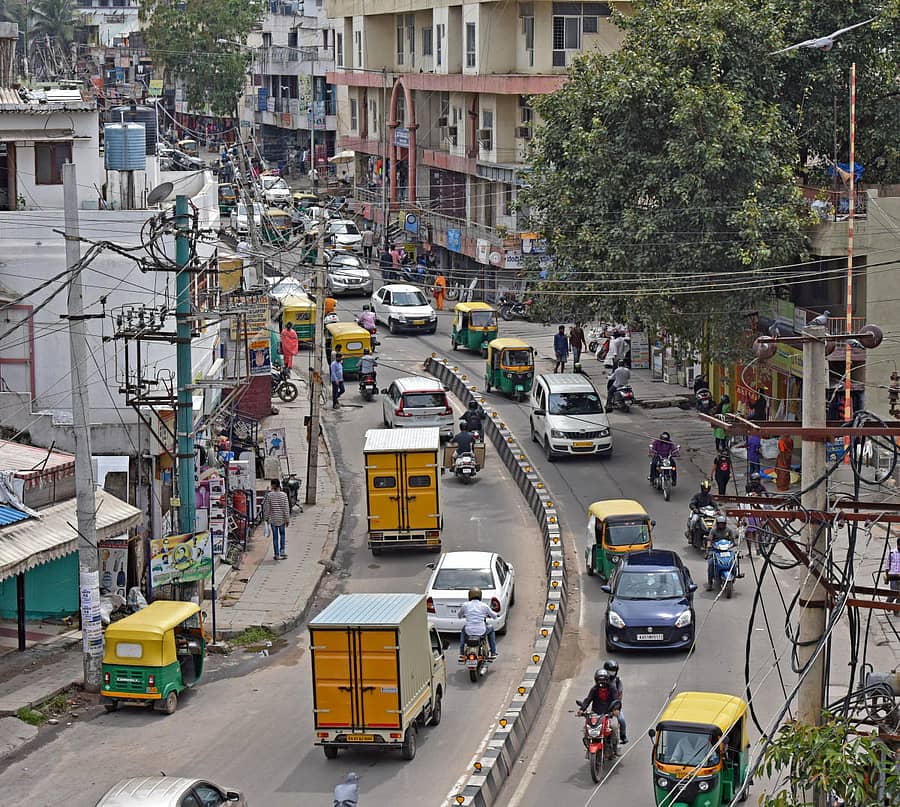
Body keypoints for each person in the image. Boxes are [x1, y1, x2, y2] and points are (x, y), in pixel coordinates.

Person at [577, 669, 621, 754]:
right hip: (595, 714)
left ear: (608, 680)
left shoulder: (612, 689)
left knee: (614, 727)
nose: (602, 683)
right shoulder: (594, 689)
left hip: (608, 714)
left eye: (604, 680)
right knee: (586, 729)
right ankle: (589, 745)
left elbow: (616, 700)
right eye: (600, 680)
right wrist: (582, 710)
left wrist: (616, 710)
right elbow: (588, 700)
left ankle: (615, 748)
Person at [458, 587, 497, 659]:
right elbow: (494, 616)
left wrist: (464, 615)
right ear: (480, 596)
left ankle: (462, 653)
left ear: (469, 596)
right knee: (491, 628)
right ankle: (493, 652)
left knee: (463, 630)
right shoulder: (484, 605)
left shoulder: (465, 605)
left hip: (469, 631)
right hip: (481, 630)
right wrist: (495, 615)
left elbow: (459, 615)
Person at [705, 514, 736, 591]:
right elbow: (709, 539)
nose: (721, 525)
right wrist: (708, 546)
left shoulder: (729, 530)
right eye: (719, 524)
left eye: (722, 524)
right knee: (711, 563)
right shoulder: (713, 530)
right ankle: (710, 583)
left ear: (725, 524)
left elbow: (733, 540)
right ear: (717, 524)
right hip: (715, 550)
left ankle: (735, 574)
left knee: (734, 561)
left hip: (727, 549)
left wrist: (734, 543)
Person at [262, 478, 290, 560]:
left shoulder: (269, 495)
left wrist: (266, 518)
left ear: (273, 485)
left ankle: (277, 554)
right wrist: (287, 519)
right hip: (282, 519)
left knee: (275, 537)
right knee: (282, 535)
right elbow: (286, 508)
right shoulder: (284, 495)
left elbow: (267, 508)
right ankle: (282, 551)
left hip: (273, 519)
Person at [602, 659, 628, 743]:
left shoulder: (617, 681)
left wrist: (616, 708)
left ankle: (623, 736)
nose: (611, 673)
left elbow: (620, 695)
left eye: (613, 672)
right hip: (602, 706)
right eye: (609, 671)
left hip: (614, 706)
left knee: (622, 720)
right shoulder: (601, 679)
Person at [884, 537, 900, 605]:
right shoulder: (892, 552)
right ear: (898, 545)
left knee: (899, 595)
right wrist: (886, 575)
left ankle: (897, 609)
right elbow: (888, 563)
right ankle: (887, 605)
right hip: (893, 576)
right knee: (893, 593)